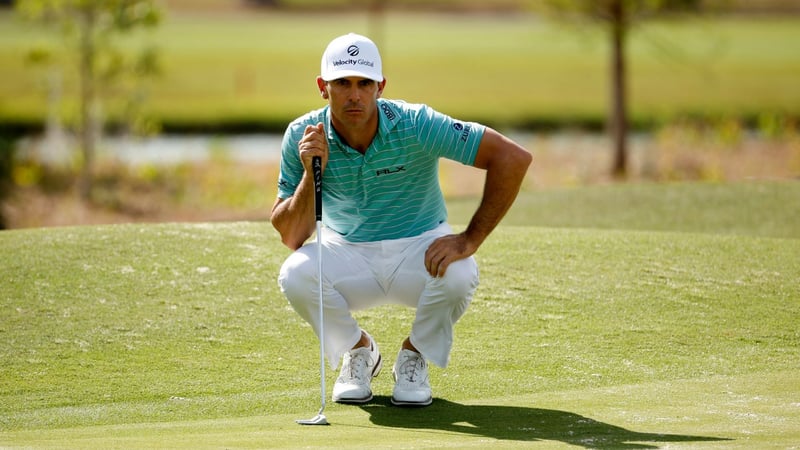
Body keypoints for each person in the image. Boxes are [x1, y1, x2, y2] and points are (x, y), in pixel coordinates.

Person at [271, 33, 531, 407]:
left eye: (364, 83)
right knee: (295, 273)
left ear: (381, 87)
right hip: (347, 252)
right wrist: (313, 174)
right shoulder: (302, 134)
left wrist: (469, 239)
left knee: (460, 273)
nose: (354, 95)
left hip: (419, 249)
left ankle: (414, 355)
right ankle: (359, 351)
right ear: (322, 87)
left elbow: (512, 158)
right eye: (342, 83)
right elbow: (291, 236)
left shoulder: (417, 123)